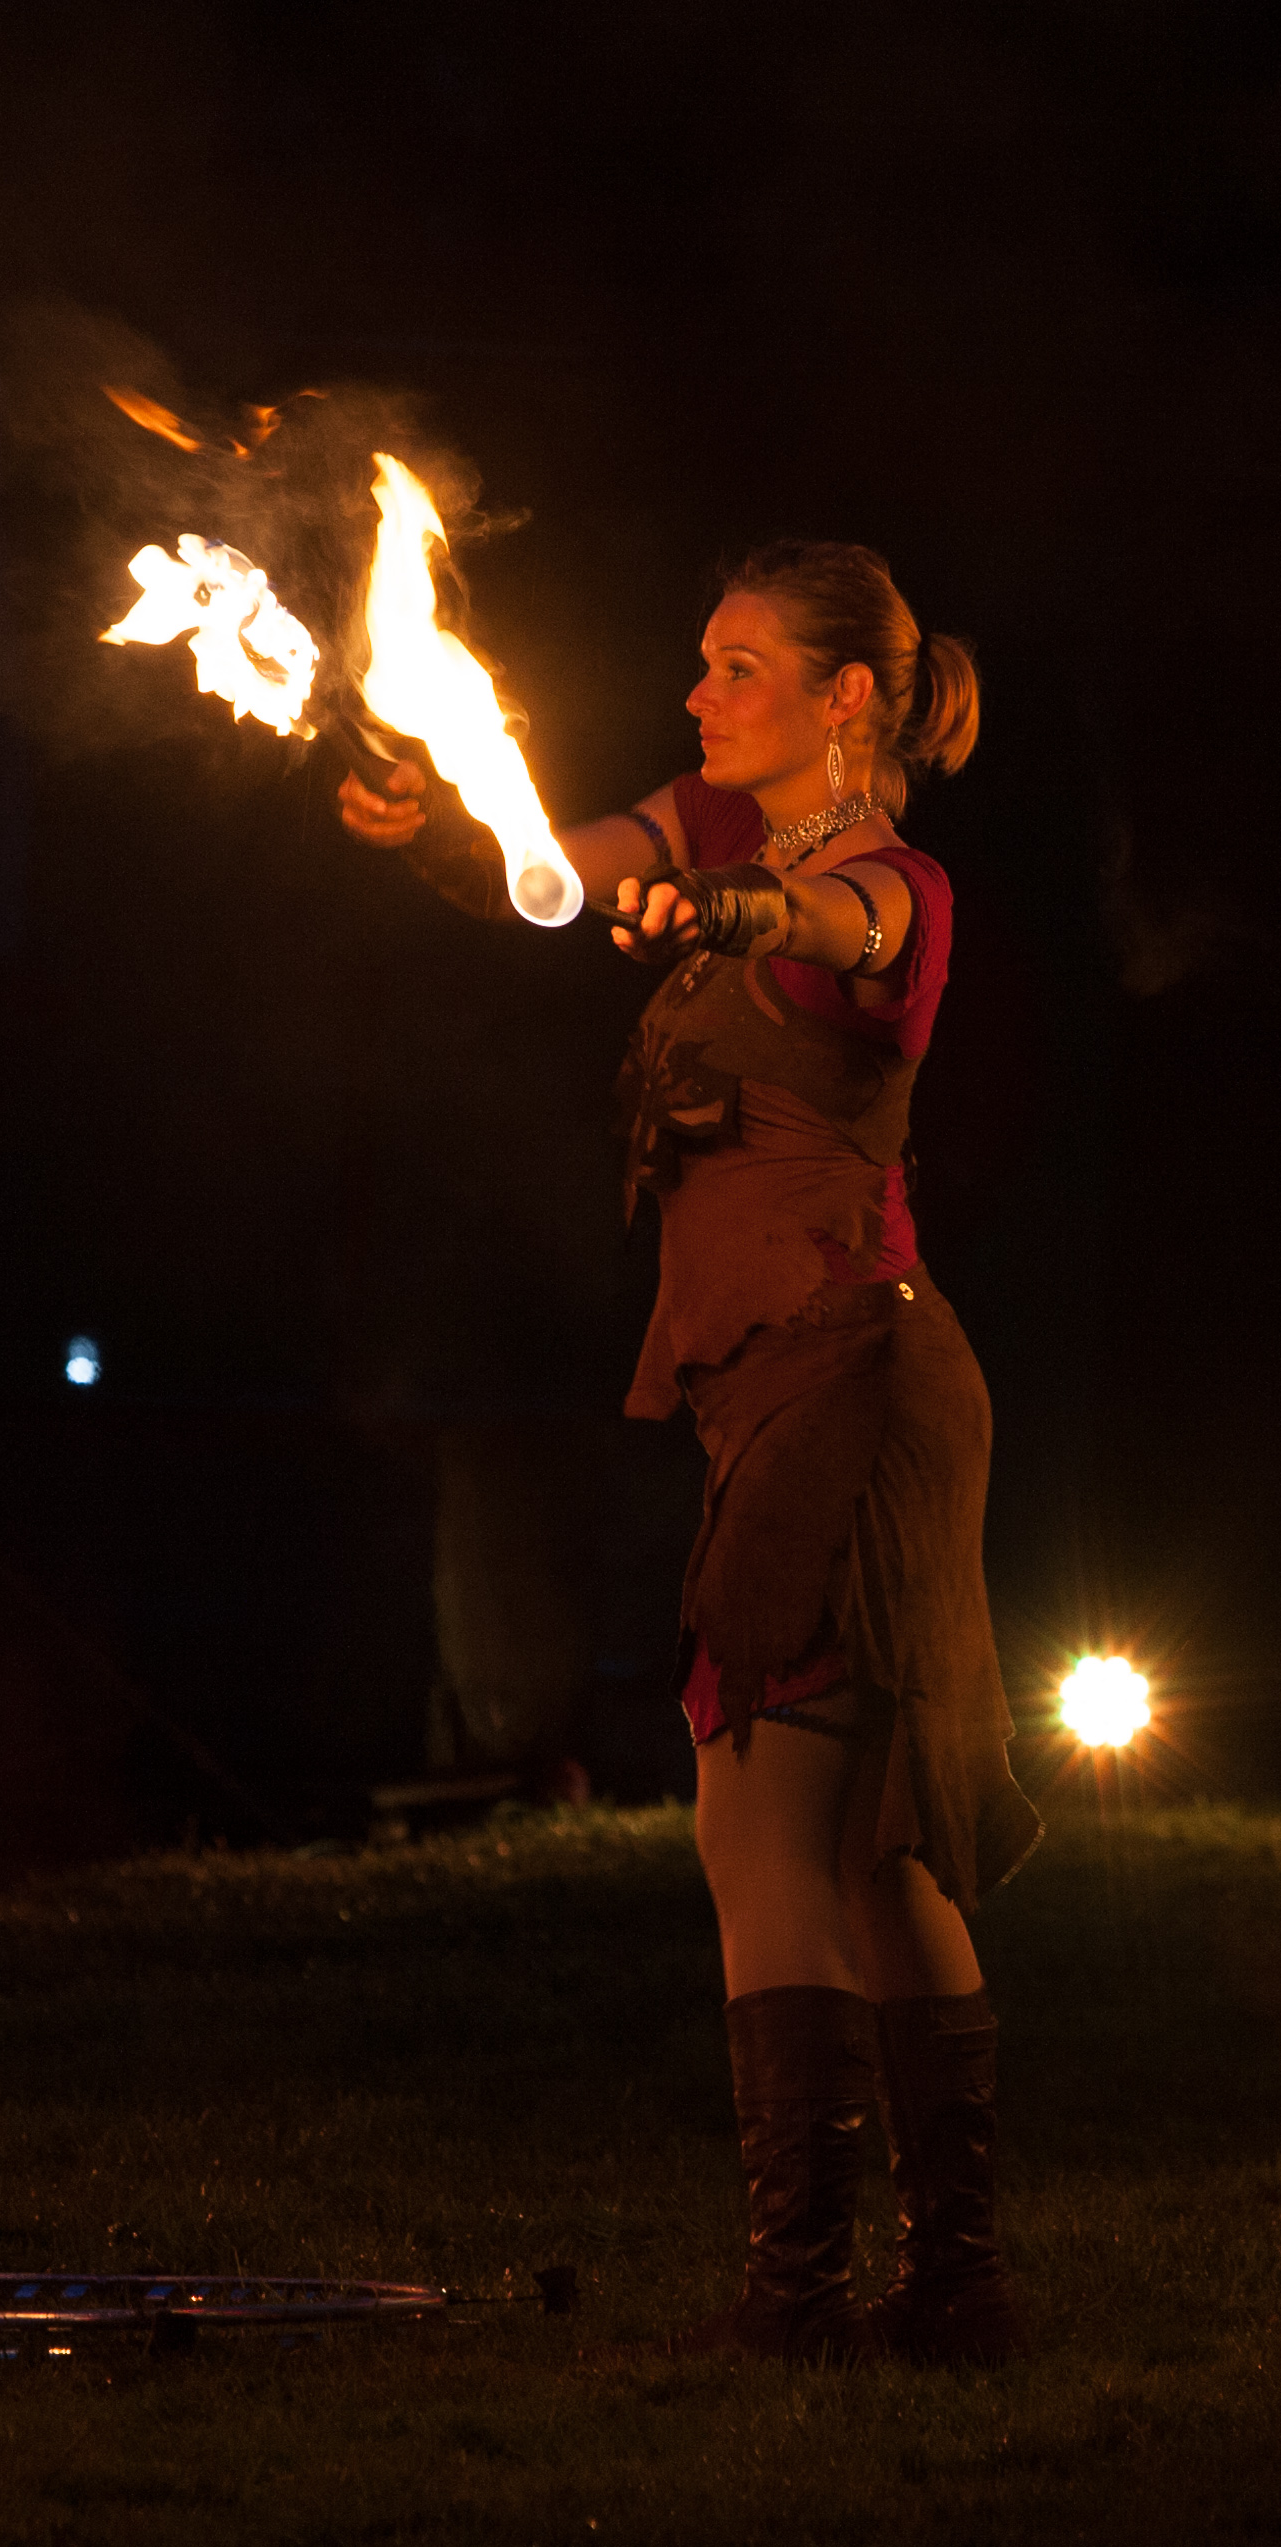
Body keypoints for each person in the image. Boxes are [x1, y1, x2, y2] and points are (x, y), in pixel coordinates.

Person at [339, 540, 1042, 2366]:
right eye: (702, 659)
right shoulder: (706, 817)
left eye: (737, 665)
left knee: (761, 1818)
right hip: (784, 1383)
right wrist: (435, 828)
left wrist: (737, 912)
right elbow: (553, 876)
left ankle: (801, 2298)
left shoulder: (889, 884)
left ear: (846, 696)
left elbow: (839, 928)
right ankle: (950, 2291)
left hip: (849, 1377)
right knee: (870, 1848)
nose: (698, 692)